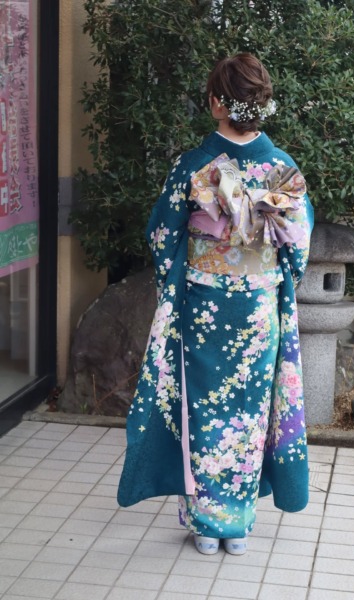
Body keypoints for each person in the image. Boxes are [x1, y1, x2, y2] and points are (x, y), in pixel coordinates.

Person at [117, 53, 314, 556]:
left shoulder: (192, 165)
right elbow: (298, 247)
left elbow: (162, 236)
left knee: (204, 411)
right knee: (248, 414)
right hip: (258, 308)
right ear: (260, 105)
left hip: (204, 307)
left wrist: (179, 280)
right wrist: (273, 281)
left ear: (214, 104)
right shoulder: (282, 168)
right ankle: (239, 524)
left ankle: (206, 523)